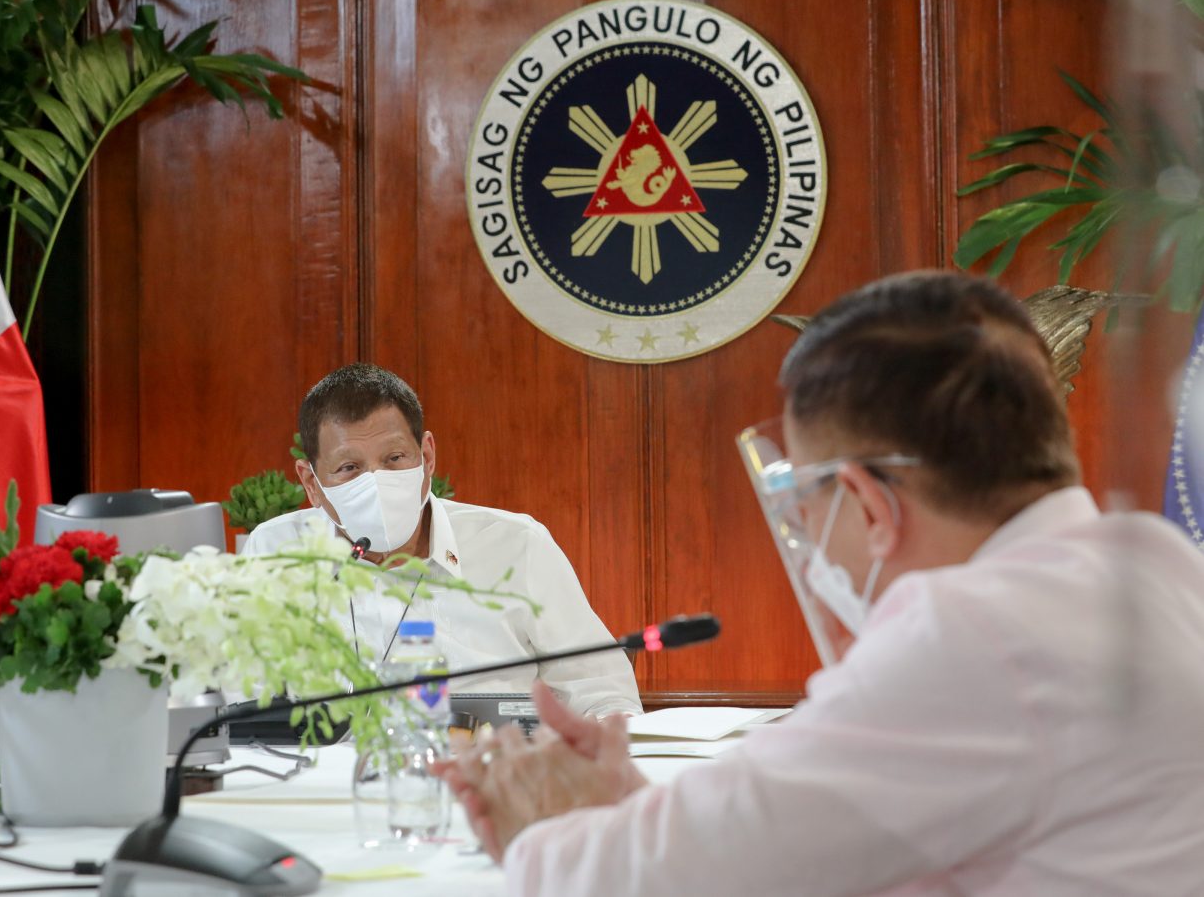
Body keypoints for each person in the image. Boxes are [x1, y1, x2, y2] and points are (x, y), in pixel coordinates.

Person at [436, 271, 1204, 895]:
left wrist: (537, 818)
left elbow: (650, 885)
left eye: (806, 506)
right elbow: (790, 845)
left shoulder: (973, 633)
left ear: (869, 503)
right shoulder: (1153, 561)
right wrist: (635, 806)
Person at [242, 363, 641, 718]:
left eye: (395, 458)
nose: (376, 482)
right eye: (349, 467)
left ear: (427, 456)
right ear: (311, 482)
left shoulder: (517, 546)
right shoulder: (276, 553)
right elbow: (242, 706)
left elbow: (604, 697)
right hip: (318, 794)